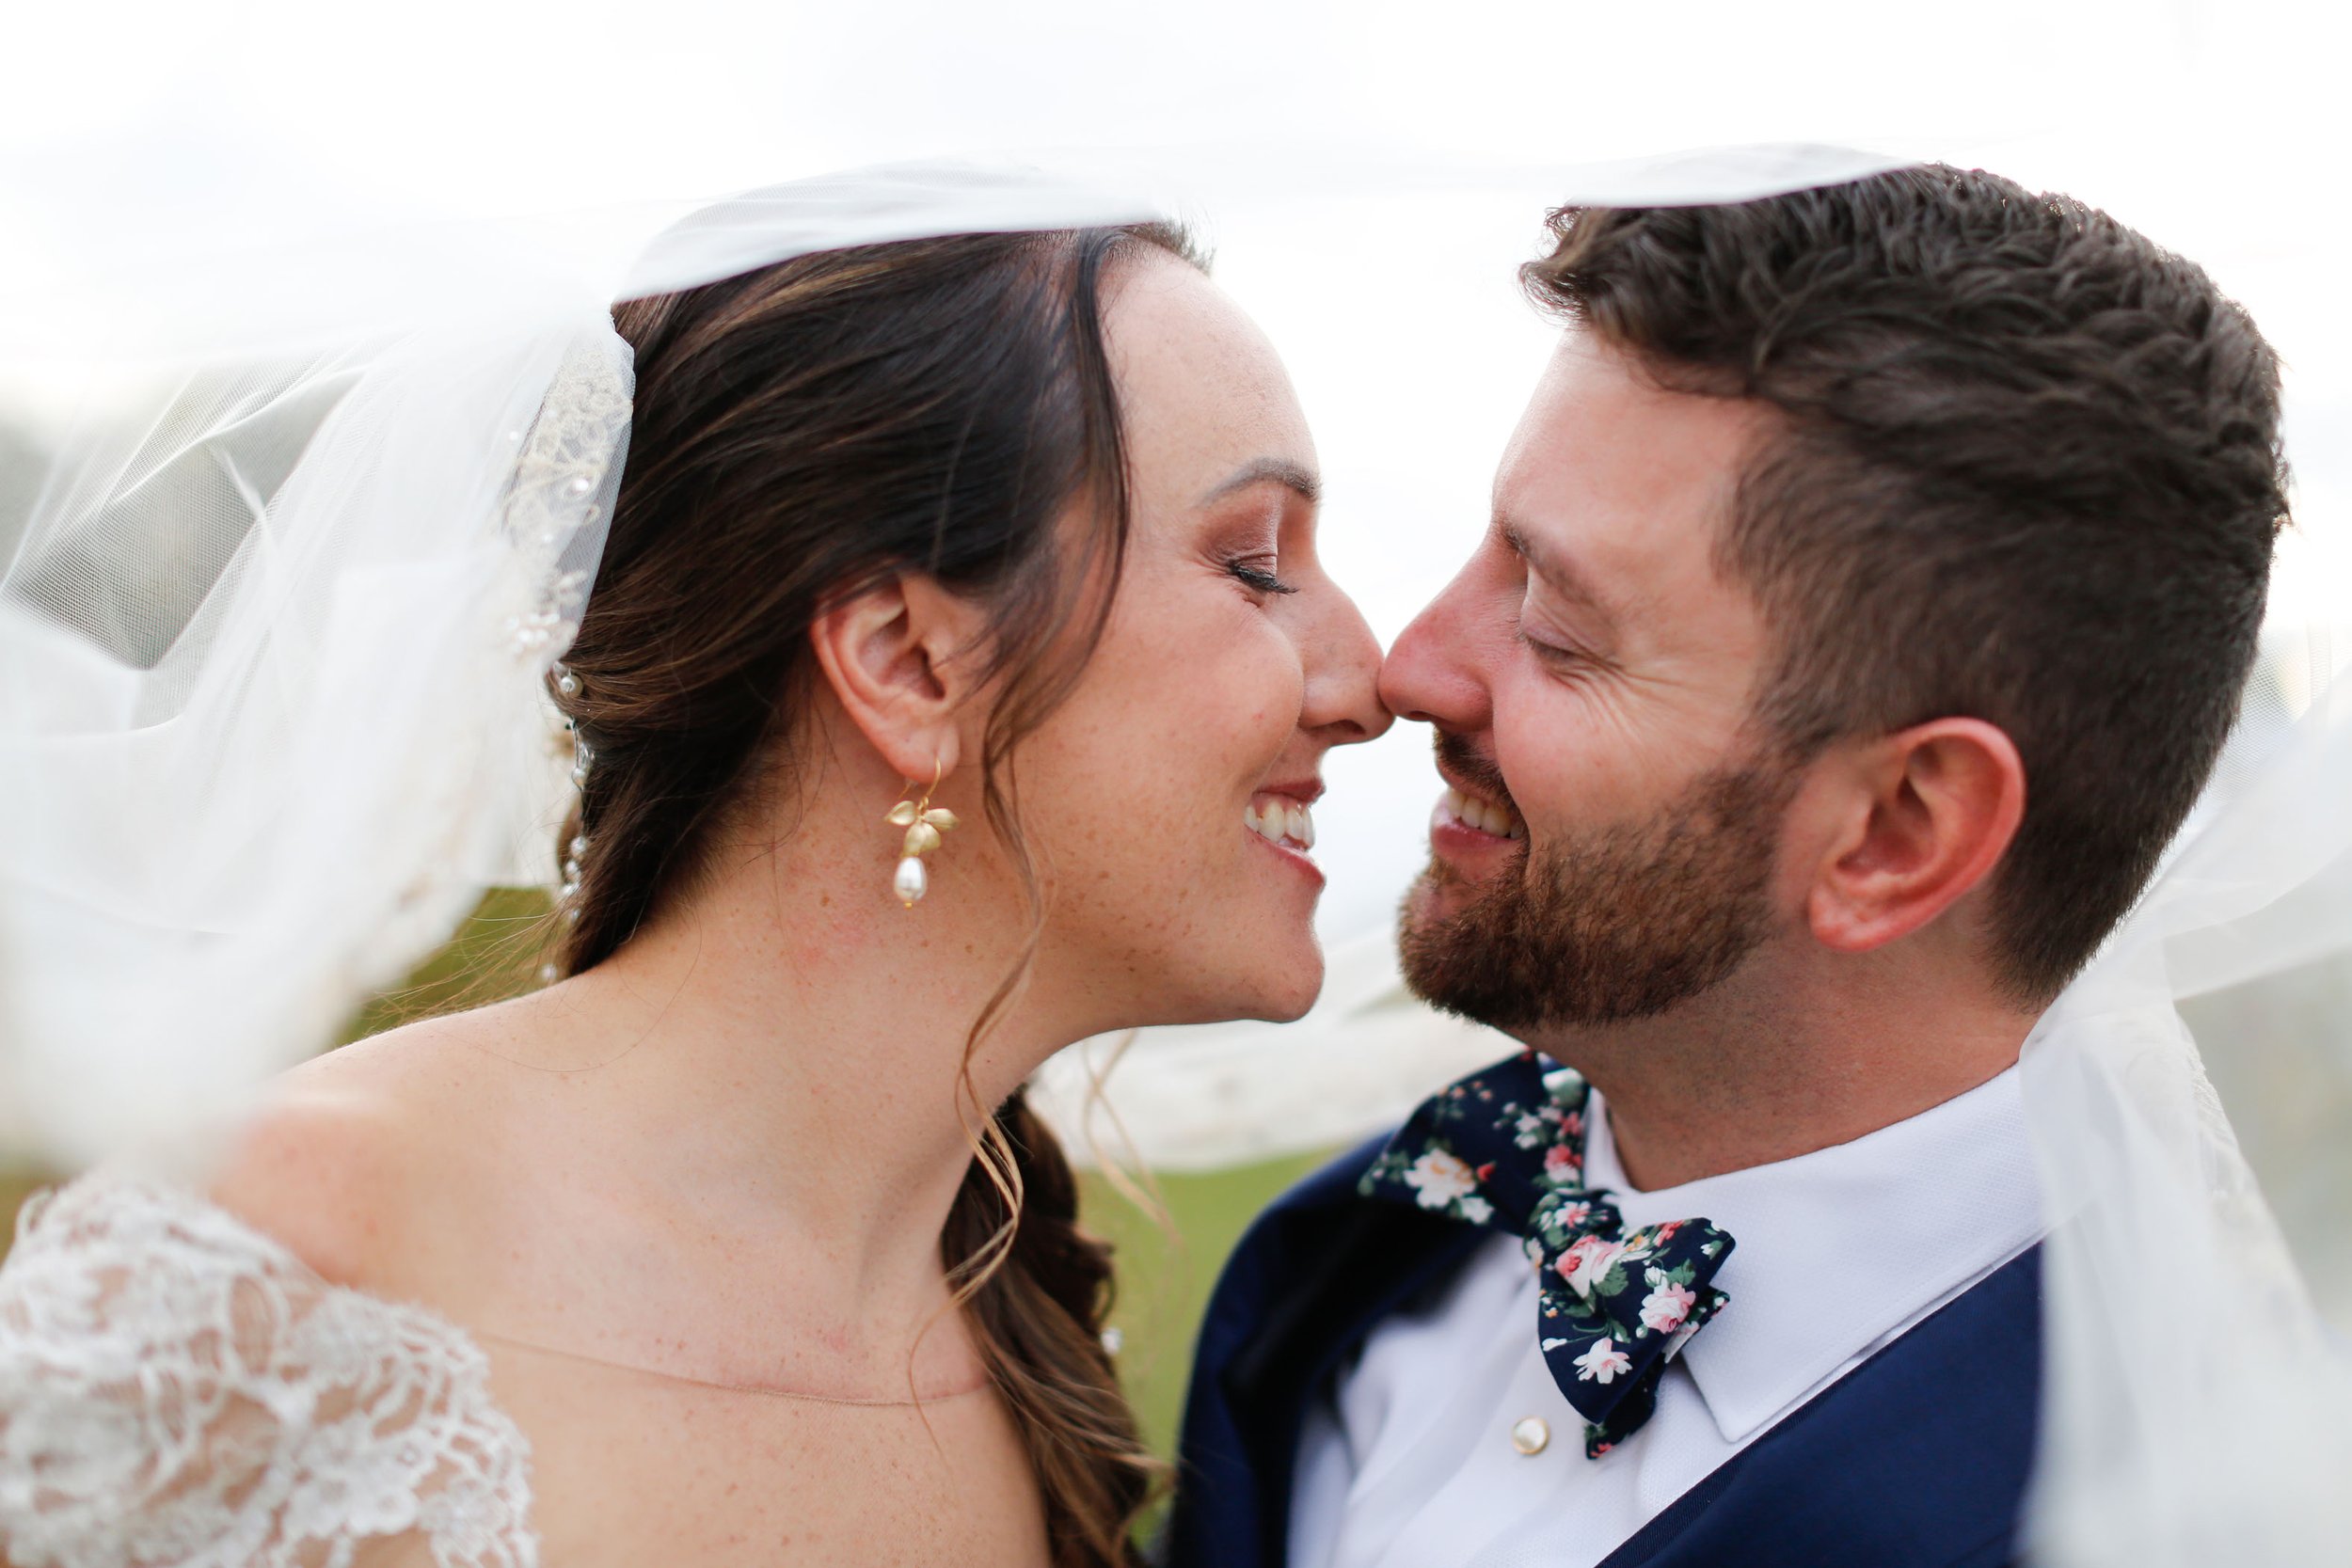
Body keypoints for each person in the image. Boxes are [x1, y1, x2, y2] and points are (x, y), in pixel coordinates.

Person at [0, 214, 1391, 1565]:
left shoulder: (1013, 1341)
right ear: (905, 659)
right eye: (1254, 565)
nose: (1370, 680)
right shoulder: (272, 1270)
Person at [1167, 166, 2288, 1568]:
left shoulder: (2160, 1508)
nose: (1409, 670)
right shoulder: (1350, 1255)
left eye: (1562, 630)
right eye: (1487, 555)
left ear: (1896, 835)